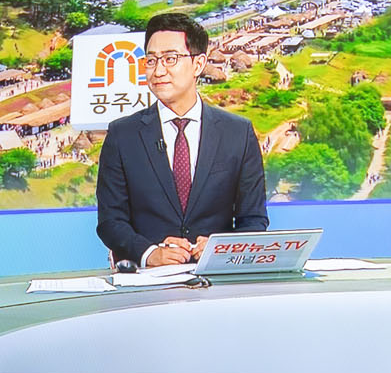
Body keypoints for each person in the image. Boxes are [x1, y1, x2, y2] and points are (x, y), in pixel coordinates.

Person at [97, 13, 269, 268]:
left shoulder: (238, 133)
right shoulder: (122, 135)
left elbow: (254, 219)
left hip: (217, 279)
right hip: (148, 281)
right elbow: (110, 222)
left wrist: (220, 248)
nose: (158, 71)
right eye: (151, 60)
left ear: (198, 64)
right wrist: (149, 253)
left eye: (170, 59)